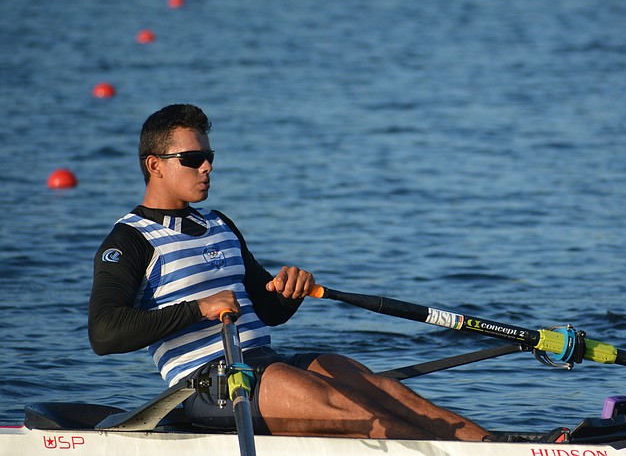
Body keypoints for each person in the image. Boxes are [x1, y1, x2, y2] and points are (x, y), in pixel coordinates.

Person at [88, 103, 490, 440]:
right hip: (208, 384)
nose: (207, 166)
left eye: (210, 157)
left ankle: (497, 444)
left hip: (265, 362)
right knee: (351, 410)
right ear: (155, 165)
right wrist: (198, 308)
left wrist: (288, 292)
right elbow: (104, 333)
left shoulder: (220, 224)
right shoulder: (129, 242)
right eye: (193, 159)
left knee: (379, 388)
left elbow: (268, 310)